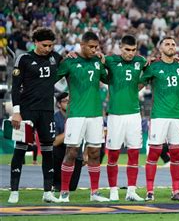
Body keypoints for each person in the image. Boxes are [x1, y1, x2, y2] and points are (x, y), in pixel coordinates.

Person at [8, 28, 62, 204]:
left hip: (47, 111)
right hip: (27, 111)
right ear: (36, 42)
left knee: (48, 150)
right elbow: (15, 87)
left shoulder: (55, 57)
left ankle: (48, 192)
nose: (48, 48)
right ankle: (14, 191)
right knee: (21, 148)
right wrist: (16, 111)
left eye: (51, 45)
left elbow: (72, 62)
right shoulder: (24, 59)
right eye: (45, 45)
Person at [57, 31, 109, 203]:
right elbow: (53, 78)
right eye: (91, 47)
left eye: (96, 47)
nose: (94, 50)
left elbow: (108, 79)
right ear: (82, 44)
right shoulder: (69, 62)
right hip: (76, 115)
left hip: (95, 115)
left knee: (94, 153)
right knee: (71, 152)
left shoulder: (97, 61)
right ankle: (64, 193)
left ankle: (94, 193)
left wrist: (104, 62)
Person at [141, 36, 179, 201]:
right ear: (160, 48)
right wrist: (144, 63)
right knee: (154, 153)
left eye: (173, 44)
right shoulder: (153, 66)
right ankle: (149, 191)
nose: (171, 46)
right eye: (167, 44)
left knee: (176, 154)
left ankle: (176, 190)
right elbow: (140, 84)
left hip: (176, 116)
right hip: (159, 115)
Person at [104, 35, 147, 201]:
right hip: (115, 114)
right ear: (120, 48)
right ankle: (113, 190)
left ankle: (131, 191)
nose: (130, 53)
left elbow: (153, 68)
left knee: (134, 153)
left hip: (134, 114)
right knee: (113, 154)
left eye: (133, 50)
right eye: (127, 50)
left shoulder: (141, 61)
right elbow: (92, 58)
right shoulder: (110, 60)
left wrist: (140, 84)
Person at [53, 93, 83, 192]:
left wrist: (85, 155)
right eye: (65, 101)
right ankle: (57, 182)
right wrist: (69, 131)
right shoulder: (55, 118)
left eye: (70, 101)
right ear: (58, 104)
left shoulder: (78, 116)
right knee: (59, 187)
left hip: (76, 155)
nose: (68, 103)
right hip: (60, 155)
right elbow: (55, 142)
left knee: (72, 188)